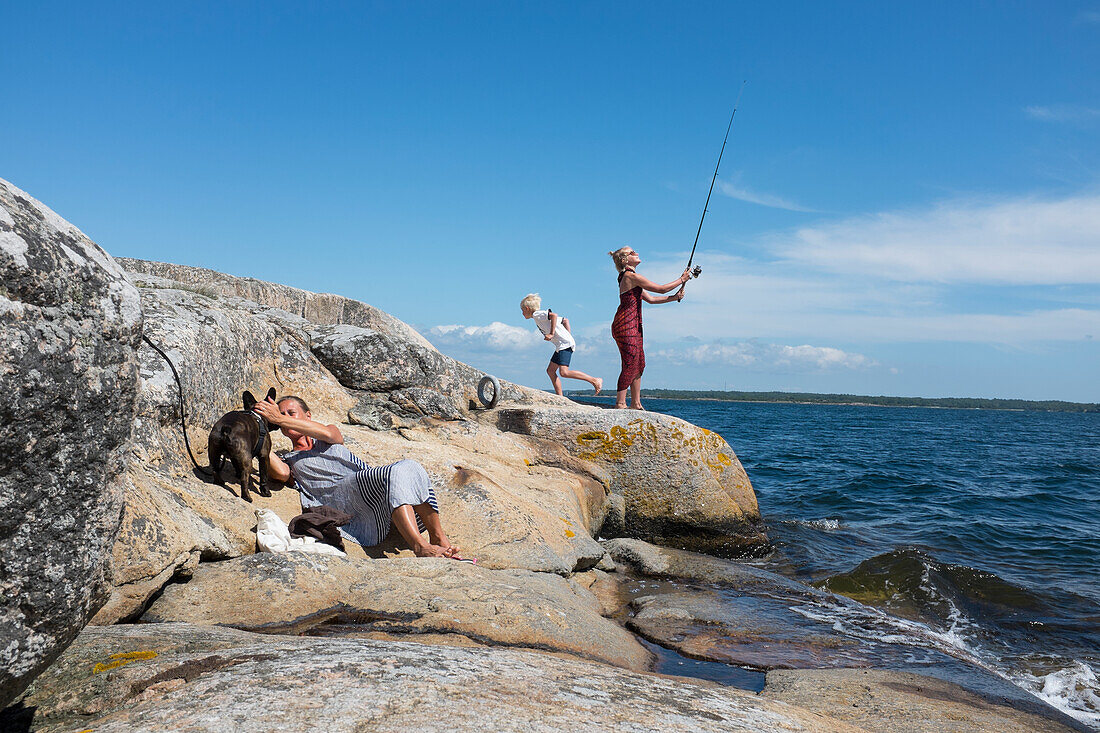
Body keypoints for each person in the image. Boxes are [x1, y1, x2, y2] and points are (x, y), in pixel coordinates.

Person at [254, 395, 463, 559]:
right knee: (398, 470)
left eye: (292, 413)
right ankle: (420, 546)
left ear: (308, 416)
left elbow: (328, 435)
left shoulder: (330, 434)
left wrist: (279, 418)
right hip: (343, 500)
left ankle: (438, 538)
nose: (286, 418)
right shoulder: (288, 458)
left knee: (410, 467)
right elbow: (280, 473)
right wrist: (260, 429)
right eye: (281, 416)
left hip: (368, 488)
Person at [608, 246, 690, 410]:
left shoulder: (631, 278)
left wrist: (675, 298)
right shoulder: (631, 276)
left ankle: (636, 403)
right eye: (632, 252)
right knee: (630, 362)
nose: (636, 253)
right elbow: (661, 288)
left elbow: (651, 299)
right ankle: (620, 403)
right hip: (626, 324)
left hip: (635, 324)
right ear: (625, 260)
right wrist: (682, 279)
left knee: (639, 363)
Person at [520, 293, 603, 397]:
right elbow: (565, 320)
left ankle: (595, 380)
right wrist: (568, 335)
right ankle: (560, 397)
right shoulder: (539, 317)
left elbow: (554, 315)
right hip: (562, 345)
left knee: (564, 372)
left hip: (564, 345)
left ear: (527, 308)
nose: (522, 313)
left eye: (522, 310)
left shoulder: (537, 315)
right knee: (550, 371)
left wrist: (551, 333)